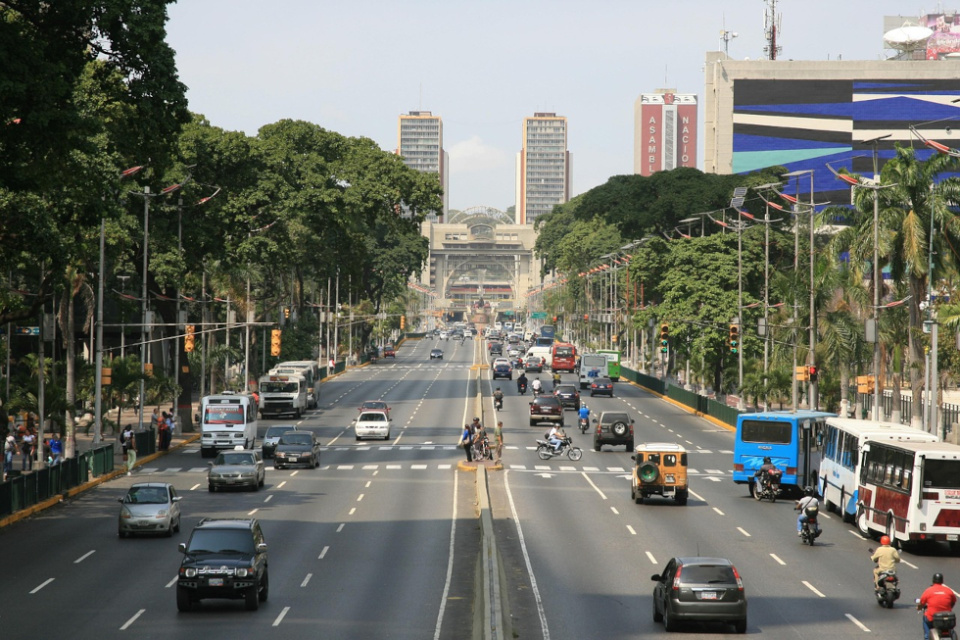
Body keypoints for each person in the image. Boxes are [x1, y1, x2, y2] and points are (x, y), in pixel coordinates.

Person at [918, 573, 957, 640]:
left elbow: (922, 603)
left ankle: (927, 637)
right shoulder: (948, 590)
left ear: (933, 581)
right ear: (942, 581)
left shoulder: (929, 590)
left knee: (925, 620)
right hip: (947, 618)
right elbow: (953, 601)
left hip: (931, 618)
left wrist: (919, 608)